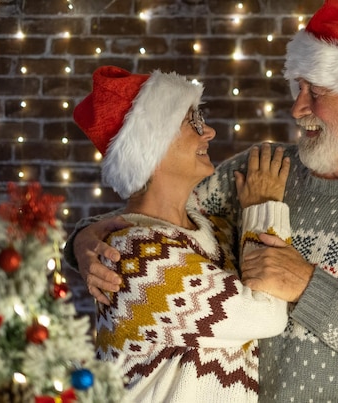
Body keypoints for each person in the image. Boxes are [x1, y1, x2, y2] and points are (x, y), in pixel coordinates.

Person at [65, 0, 338, 401]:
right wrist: (82, 241)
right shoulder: (264, 170)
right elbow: (160, 210)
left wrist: (306, 285)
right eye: (299, 88)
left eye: (316, 93)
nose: (298, 107)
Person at [72, 65, 293, 402]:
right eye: (192, 122)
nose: (209, 132)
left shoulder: (214, 229)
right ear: (152, 146)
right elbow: (266, 314)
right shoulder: (133, 256)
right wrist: (264, 206)